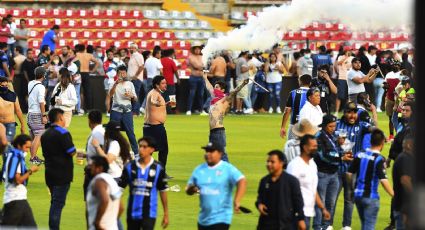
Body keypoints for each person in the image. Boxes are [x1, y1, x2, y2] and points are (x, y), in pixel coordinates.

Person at [186, 142, 247, 230]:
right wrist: (191, 189)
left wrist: (237, 200)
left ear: (220, 153)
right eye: (206, 151)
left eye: (211, 151)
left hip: (222, 218)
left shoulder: (227, 168)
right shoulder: (199, 170)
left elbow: (242, 180)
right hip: (203, 219)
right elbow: (188, 189)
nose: (208, 154)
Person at [335, 101, 372, 230]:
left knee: (349, 199)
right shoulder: (336, 124)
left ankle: (346, 225)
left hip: (353, 171)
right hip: (337, 168)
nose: (352, 115)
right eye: (349, 112)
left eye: (354, 112)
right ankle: (327, 224)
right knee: (331, 198)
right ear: (344, 112)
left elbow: (376, 131)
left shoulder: (363, 126)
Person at [347, 129, 394, 230]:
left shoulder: (359, 154)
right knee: (369, 227)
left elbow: (349, 173)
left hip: (358, 196)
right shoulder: (379, 159)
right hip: (371, 197)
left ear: (371, 141)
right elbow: (383, 180)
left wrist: (351, 188)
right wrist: (394, 195)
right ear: (382, 143)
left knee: (365, 225)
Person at [119, 136, 169, 230]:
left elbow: (163, 190)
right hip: (132, 213)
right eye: (140, 146)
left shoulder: (158, 168)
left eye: (144, 147)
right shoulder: (130, 167)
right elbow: (119, 189)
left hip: (149, 213)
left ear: (152, 149)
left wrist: (166, 213)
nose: (141, 149)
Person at [313, 115, 351, 230]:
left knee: (331, 203)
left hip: (334, 174)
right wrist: (341, 158)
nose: (333, 128)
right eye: (330, 126)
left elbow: (336, 151)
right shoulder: (319, 137)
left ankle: (325, 226)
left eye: (334, 126)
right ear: (324, 126)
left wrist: (343, 149)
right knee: (321, 203)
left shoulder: (333, 136)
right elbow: (323, 156)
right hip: (322, 174)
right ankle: (317, 226)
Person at [41, 108, 77, 230]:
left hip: (49, 173)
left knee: (54, 202)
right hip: (62, 175)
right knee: (57, 205)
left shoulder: (45, 134)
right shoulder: (63, 133)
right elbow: (72, 152)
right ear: (60, 118)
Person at [202, 71, 249, 161]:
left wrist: (243, 84)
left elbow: (234, 92)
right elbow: (209, 88)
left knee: (222, 154)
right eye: (214, 87)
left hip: (219, 131)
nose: (214, 89)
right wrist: (205, 78)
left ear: (222, 90)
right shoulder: (214, 99)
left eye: (217, 87)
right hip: (212, 131)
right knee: (213, 154)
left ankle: (229, 173)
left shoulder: (224, 99)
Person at [286, 135, 331, 230]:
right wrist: (298, 216)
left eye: (316, 146)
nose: (316, 148)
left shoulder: (312, 164)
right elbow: (288, 191)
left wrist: (323, 208)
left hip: (308, 212)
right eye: (313, 146)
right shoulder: (294, 165)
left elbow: (313, 190)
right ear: (305, 147)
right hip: (295, 213)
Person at [256, 150, 306, 230]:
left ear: (281, 163)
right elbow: (260, 198)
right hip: (266, 224)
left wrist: (301, 219)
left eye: (272, 162)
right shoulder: (264, 181)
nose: (269, 164)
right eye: (267, 161)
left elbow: (298, 202)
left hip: (286, 224)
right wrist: (259, 204)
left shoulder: (291, 181)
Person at [1, 134, 39, 228]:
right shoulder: (15, 157)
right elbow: (17, 180)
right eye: (26, 147)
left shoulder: (14, 155)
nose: (27, 150)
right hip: (14, 201)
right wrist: (31, 171)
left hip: (21, 199)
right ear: (19, 145)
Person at [143, 75, 172, 176]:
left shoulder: (155, 93)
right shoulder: (154, 94)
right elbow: (153, 101)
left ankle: (146, 171)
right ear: (157, 85)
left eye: (165, 83)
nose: (165, 85)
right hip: (155, 128)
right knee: (163, 150)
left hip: (150, 127)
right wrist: (157, 103)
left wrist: (165, 104)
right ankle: (161, 173)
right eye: (163, 83)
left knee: (148, 151)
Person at [86, 156, 123, 230]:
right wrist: (111, 221)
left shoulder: (99, 181)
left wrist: (97, 223)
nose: (88, 168)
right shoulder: (112, 181)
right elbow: (121, 207)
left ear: (99, 168)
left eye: (91, 166)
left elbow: (105, 200)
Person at [109, 65, 138, 155]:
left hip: (127, 112)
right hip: (116, 111)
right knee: (112, 132)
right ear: (117, 74)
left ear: (126, 74)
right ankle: (111, 151)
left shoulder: (130, 84)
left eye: (124, 73)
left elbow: (136, 99)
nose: (122, 75)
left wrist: (132, 96)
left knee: (130, 133)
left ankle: (136, 153)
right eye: (120, 73)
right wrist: (116, 84)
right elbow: (110, 95)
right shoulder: (113, 83)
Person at [392, 134, 414, 230]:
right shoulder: (405, 158)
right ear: (409, 145)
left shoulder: (404, 158)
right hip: (404, 208)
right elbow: (405, 180)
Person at [280, 74, 312, 140]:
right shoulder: (314, 94)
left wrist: (283, 127)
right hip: (309, 127)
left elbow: (287, 111)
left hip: (294, 125)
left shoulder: (293, 93)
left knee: (291, 147)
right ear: (310, 83)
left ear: (300, 82)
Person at [27, 66, 47, 164]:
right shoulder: (41, 87)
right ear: (44, 75)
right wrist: (44, 115)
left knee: (32, 137)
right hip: (36, 114)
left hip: (29, 114)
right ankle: (33, 158)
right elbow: (41, 102)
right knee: (38, 136)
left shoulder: (30, 83)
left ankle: (33, 157)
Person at [74, 44, 100, 112]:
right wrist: (92, 71)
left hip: (78, 74)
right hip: (86, 73)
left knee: (77, 91)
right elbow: (97, 63)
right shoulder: (89, 55)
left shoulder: (77, 54)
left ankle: (78, 109)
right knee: (87, 92)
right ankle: (89, 109)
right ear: (84, 49)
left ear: (78, 49)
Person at [0, 76, 25, 142]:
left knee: (7, 143)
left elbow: (18, 110)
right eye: (2, 85)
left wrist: (22, 125)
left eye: (6, 85)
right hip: (0, 125)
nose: (4, 87)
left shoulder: (13, 95)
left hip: (10, 124)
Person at [186, 42, 204, 115]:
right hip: (193, 77)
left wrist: (201, 67)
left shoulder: (201, 57)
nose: (197, 50)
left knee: (201, 95)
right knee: (192, 94)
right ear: (193, 50)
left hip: (201, 77)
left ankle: (201, 110)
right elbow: (197, 66)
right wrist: (202, 67)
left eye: (198, 49)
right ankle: (189, 110)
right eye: (196, 49)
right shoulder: (191, 57)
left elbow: (204, 66)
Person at [335, 48, 354, 115]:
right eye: (349, 50)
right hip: (342, 78)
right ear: (345, 51)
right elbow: (338, 63)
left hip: (350, 79)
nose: (350, 51)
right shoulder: (340, 57)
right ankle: (336, 111)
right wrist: (346, 57)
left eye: (351, 50)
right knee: (339, 96)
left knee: (348, 96)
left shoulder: (352, 58)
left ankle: (347, 111)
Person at [128, 43, 145, 115]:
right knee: (133, 95)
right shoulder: (132, 56)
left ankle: (135, 111)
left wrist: (136, 75)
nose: (131, 49)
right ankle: (135, 111)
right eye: (130, 48)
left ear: (136, 49)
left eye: (133, 48)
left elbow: (141, 66)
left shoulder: (138, 55)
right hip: (131, 79)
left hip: (136, 79)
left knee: (135, 95)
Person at [161, 49, 179, 114]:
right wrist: (178, 79)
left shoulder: (160, 60)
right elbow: (175, 71)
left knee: (162, 97)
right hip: (170, 82)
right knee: (172, 97)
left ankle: (162, 110)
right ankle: (173, 110)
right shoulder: (171, 61)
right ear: (171, 54)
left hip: (162, 83)